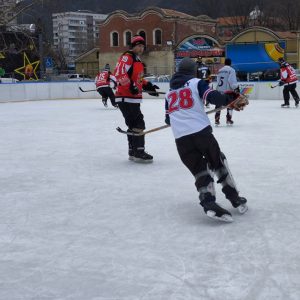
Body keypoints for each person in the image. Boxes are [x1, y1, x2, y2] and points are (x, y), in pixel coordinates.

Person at [165, 57, 248, 222]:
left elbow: (168, 121)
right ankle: (234, 197)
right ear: (193, 71)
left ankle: (208, 202)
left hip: (181, 139)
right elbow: (213, 98)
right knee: (218, 161)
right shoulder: (196, 83)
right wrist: (230, 100)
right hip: (200, 133)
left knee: (199, 169)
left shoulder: (169, 93)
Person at [114, 35, 159, 163]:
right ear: (133, 46)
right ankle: (139, 151)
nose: (141, 48)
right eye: (138, 45)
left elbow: (137, 79)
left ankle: (133, 152)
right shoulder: (127, 57)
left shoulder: (136, 59)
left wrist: (147, 85)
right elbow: (119, 73)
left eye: (142, 46)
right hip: (126, 97)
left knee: (133, 125)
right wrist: (131, 86)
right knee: (139, 124)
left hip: (132, 98)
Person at [215, 58, 240, 125]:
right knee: (230, 105)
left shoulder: (220, 70)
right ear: (230, 63)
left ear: (224, 63)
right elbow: (232, 81)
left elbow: (218, 81)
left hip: (219, 90)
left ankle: (217, 119)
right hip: (227, 91)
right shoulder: (231, 70)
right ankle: (228, 119)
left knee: (218, 105)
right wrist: (236, 88)